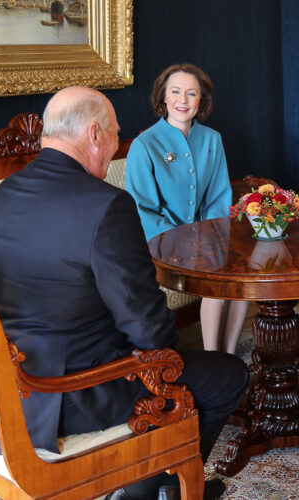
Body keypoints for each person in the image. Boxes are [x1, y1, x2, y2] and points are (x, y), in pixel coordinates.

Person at [0, 86, 249, 500]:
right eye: (115, 135)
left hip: (1, 389)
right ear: (93, 134)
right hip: (70, 393)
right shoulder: (107, 205)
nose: (114, 147)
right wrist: (166, 361)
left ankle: (149, 483)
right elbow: (149, 328)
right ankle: (159, 488)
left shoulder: (6, 192)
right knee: (227, 374)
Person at [126, 63, 249, 355]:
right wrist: (186, 240)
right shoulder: (144, 145)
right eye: (176, 92)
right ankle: (213, 358)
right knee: (216, 285)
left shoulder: (212, 139)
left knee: (244, 281)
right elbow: (142, 209)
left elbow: (219, 195)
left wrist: (214, 237)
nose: (183, 100)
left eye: (191, 94)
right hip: (163, 241)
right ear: (163, 97)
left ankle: (229, 356)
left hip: (209, 236)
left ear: (201, 101)